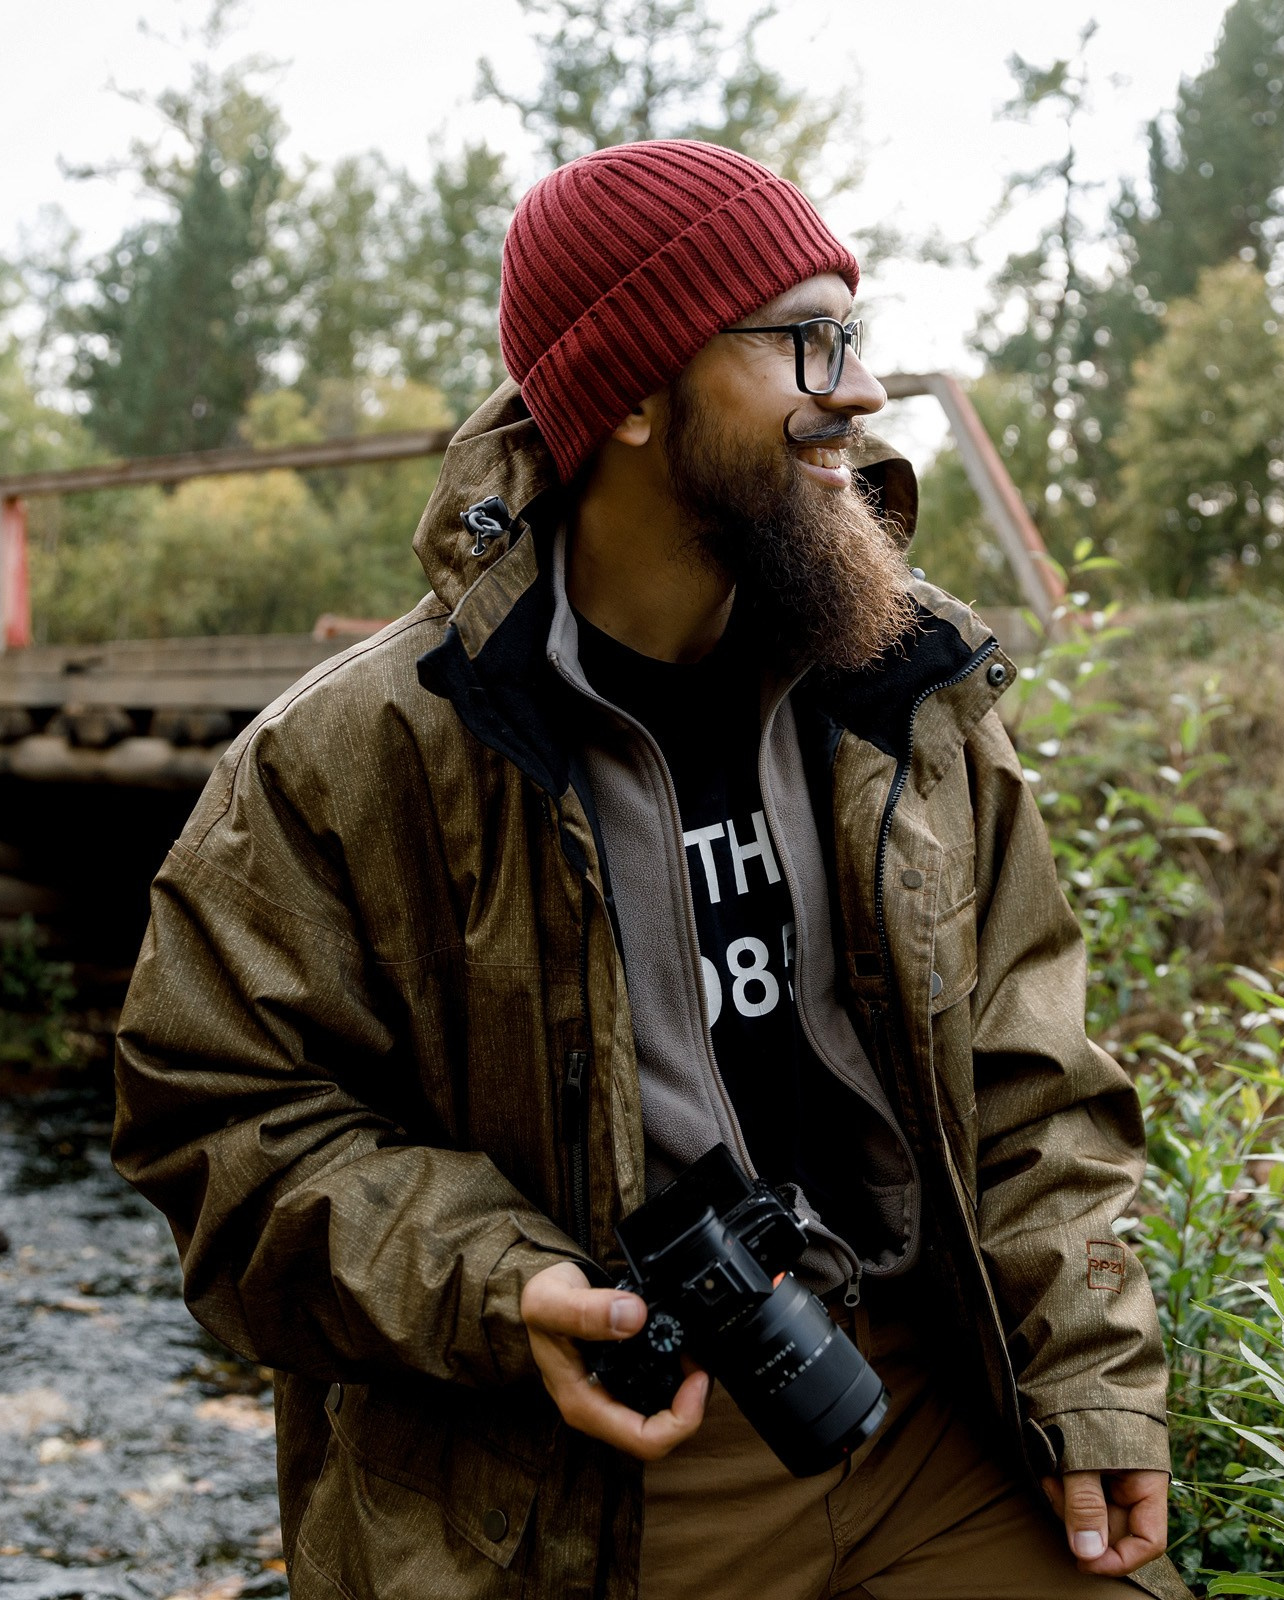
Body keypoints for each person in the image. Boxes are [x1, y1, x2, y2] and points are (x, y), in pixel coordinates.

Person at [113, 138, 1183, 1600]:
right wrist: (508, 1288)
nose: (855, 391)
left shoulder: (903, 686)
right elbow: (219, 1128)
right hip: (605, 1471)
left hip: (926, 1402)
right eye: (802, 343)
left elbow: (1029, 1072)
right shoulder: (349, 761)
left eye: (849, 337)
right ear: (624, 396)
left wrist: (1091, 1381)